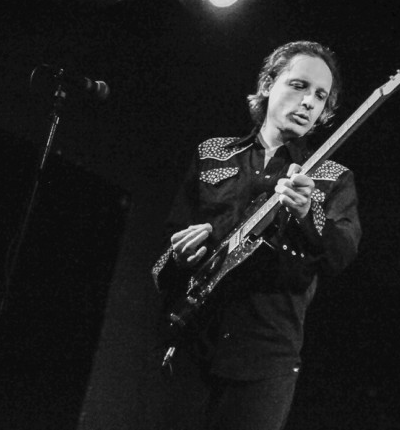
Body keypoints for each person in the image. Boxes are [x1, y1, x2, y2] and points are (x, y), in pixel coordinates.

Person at [151, 40, 361, 430]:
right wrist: (179, 255)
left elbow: (341, 254)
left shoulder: (331, 178)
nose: (309, 102)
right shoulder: (212, 153)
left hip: (266, 360)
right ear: (267, 84)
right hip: (193, 343)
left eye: (320, 96)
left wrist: (307, 213)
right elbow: (165, 249)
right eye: (299, 85)